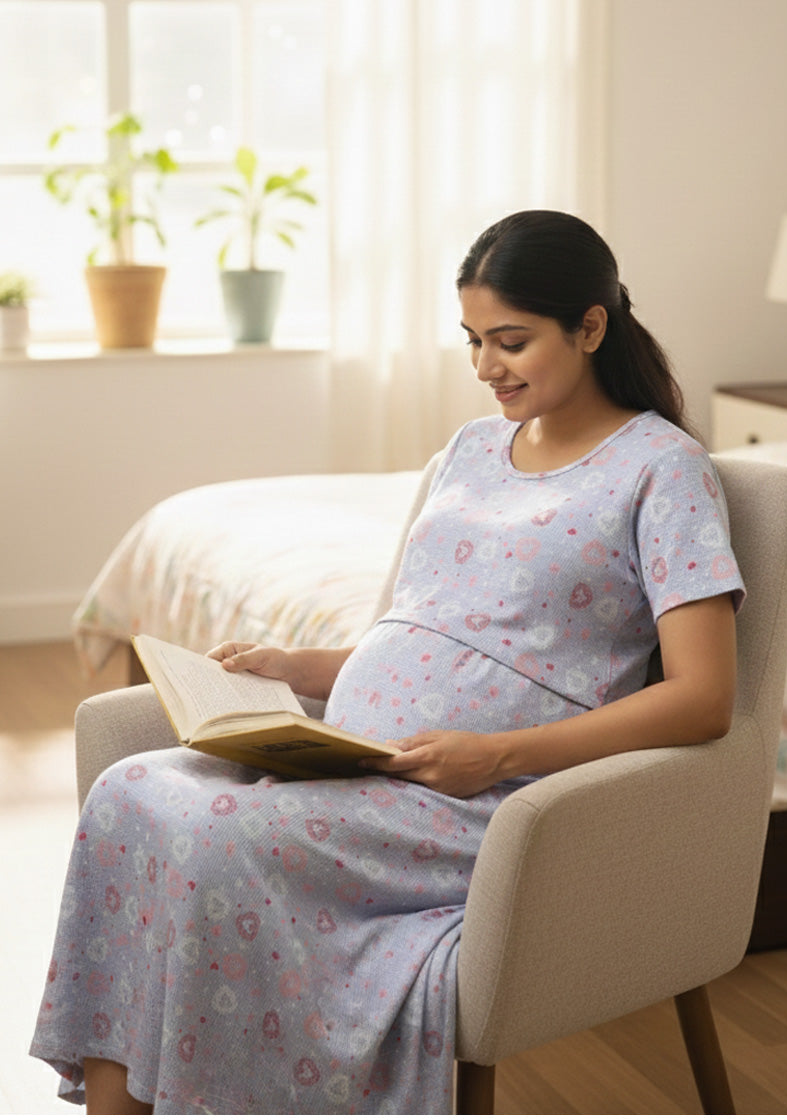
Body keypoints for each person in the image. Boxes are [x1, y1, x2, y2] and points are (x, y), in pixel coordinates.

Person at [30, 210, 744, 1114]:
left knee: (215, 835)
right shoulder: (471, 450)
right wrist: (300, 667)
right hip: (358, 762)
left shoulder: (664, 470)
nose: (486, 367)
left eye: (511, 341)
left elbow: (704, 698)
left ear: (591, 327)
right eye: (473, 341)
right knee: (128, 792)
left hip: (480, 803)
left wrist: (499, 754)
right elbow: (428, 631)